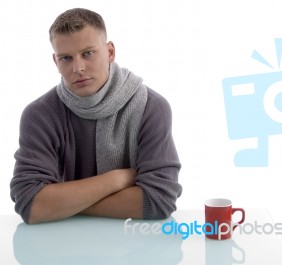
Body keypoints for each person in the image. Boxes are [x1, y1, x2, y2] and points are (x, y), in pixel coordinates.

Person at [10, 8, 182, 224]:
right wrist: (116, 180)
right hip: (62, 248)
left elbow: (159, 200)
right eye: (66, 58)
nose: (78, 68)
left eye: (88, 53)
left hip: (137, 248)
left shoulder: (151, 107)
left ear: (110, 52)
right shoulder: (39, 115)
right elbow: (30, 204)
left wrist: (61, 204)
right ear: (56, 62)